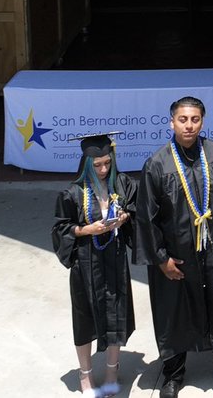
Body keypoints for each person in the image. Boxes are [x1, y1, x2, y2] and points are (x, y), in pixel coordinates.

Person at [138, 96, 213, 398]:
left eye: (195, 119)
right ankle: (174, 372)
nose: (189, 125)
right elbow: (147, 217)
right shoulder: (156, 164)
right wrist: (161, 259)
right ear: (171, 122)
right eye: (183, 119)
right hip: (177, 255)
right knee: (175, 309)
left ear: (202, 121)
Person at [51, 133, 137, 398]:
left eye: (106, 163)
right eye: (97, 165)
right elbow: (60, 229)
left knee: (116, 315)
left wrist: (124, 218)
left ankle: (112, 371)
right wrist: (86, 229)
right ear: (87, 164)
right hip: (86, 263)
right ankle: (85, 376)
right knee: (85, 318)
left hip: (114, 258)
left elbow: (135, 212)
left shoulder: (122, 184)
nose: (103, 169)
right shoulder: (72, 193)